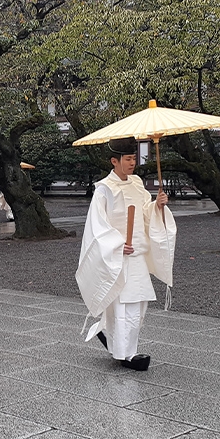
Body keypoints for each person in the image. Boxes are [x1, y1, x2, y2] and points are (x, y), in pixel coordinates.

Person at [76, 137, 176, 371]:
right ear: (115, 161)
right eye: (128, 159)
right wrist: (118, 244)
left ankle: (110, 337)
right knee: (123, 305)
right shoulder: (104, 190)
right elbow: (97, 227)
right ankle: (126, 353)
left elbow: (144, 212)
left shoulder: (137, 183)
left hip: (137, 253)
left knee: (138, 303)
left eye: (134, 158)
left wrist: (157, 205)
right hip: (118, 255)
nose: (133, 163)